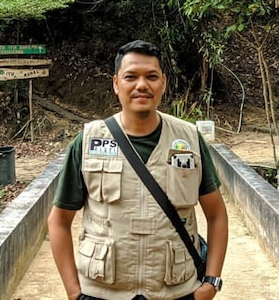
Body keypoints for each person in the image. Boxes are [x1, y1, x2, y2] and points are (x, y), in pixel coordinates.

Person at [49, 40, 229, 300]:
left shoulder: (188, 139)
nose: (142, 85)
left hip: (176, 291)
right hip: (101, 292)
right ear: (115, 84)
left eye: (151, 77)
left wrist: (211, 283)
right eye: (130, 77)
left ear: (163, 83)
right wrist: (74, 294)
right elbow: (58, 221)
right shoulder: (89, 141)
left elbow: (217, 215)